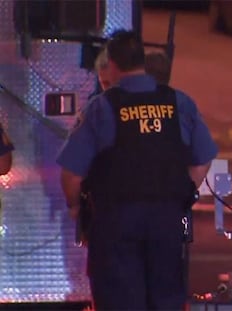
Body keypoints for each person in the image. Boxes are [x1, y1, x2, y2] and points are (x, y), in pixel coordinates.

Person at [57, 29, 218, 310]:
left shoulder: (102, 107)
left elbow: (71, 173)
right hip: (167, 223)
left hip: (116, 225)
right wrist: (182, 194)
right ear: (142, 60)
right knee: (166, 300)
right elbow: (203, 158)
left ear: (114, 65)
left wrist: (75, 209)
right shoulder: (179, 102)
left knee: (120, 301)